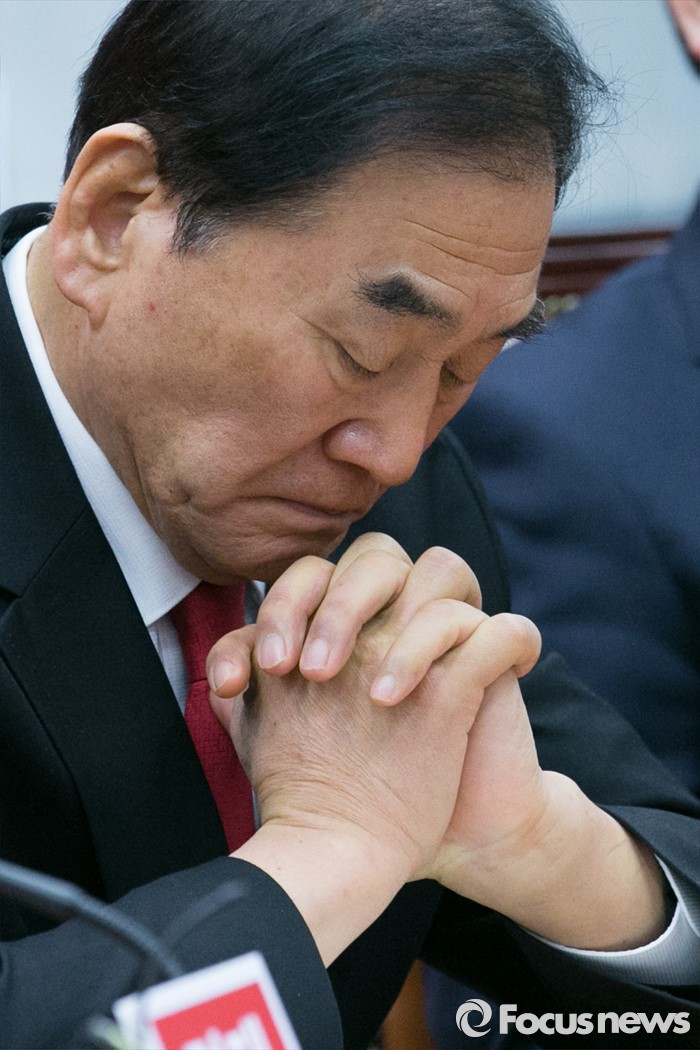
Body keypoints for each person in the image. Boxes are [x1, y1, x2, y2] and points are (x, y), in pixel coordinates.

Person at [0, 3, 698, 1048]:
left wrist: (540, 848)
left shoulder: (394, 490)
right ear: (115, 217)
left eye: (464, 370)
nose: (400, 451)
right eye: (357, 353)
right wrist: (324, 859)